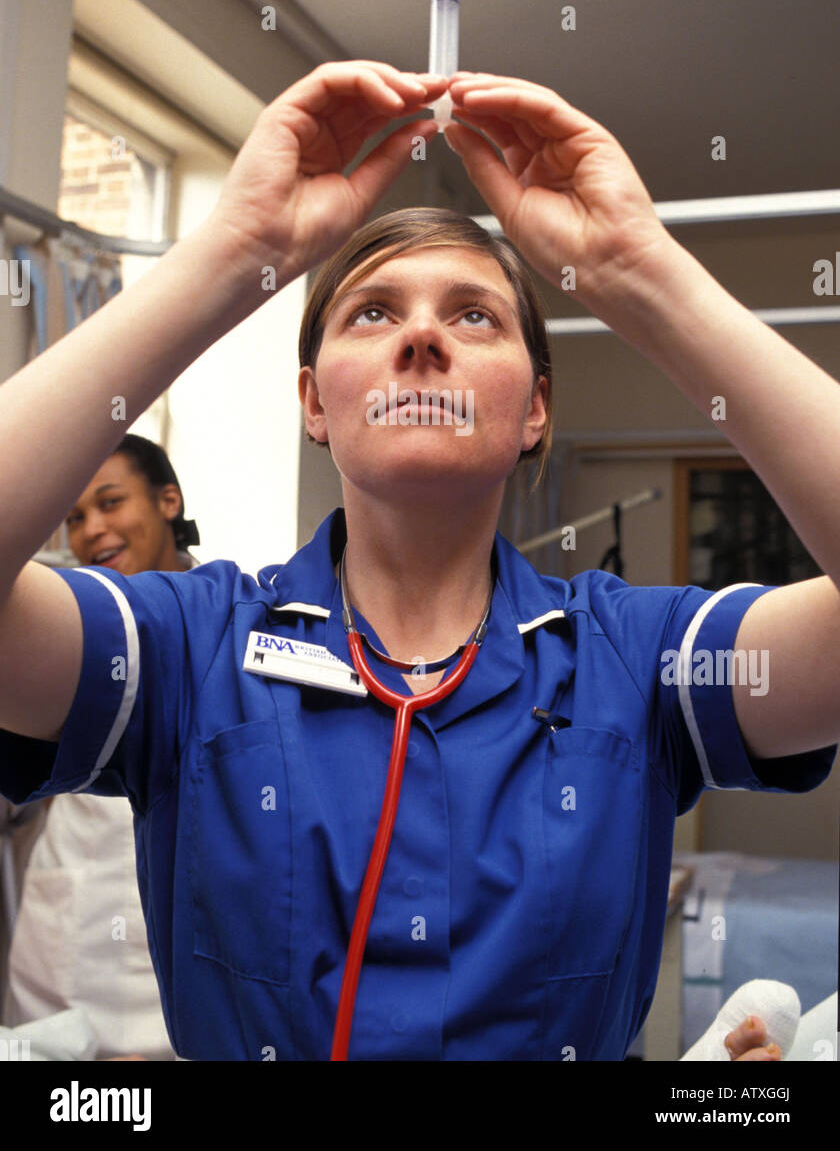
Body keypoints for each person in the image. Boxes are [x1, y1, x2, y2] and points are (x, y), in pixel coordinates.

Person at [0, 62, 836, 1062]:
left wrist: (637, 272)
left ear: (536, 409)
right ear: (314, 402)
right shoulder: (188, 644)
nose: (425, 338)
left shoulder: (639, 658)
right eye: (373, 312)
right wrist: (237, 250)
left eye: (475, 314)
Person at [2, 434, 200, 1059]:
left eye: (111, 502)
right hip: (64, 953)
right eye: (77, 517)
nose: (93, 530)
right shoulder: (64, 623)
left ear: (169, 500)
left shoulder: (230, 619)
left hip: (178, 957)